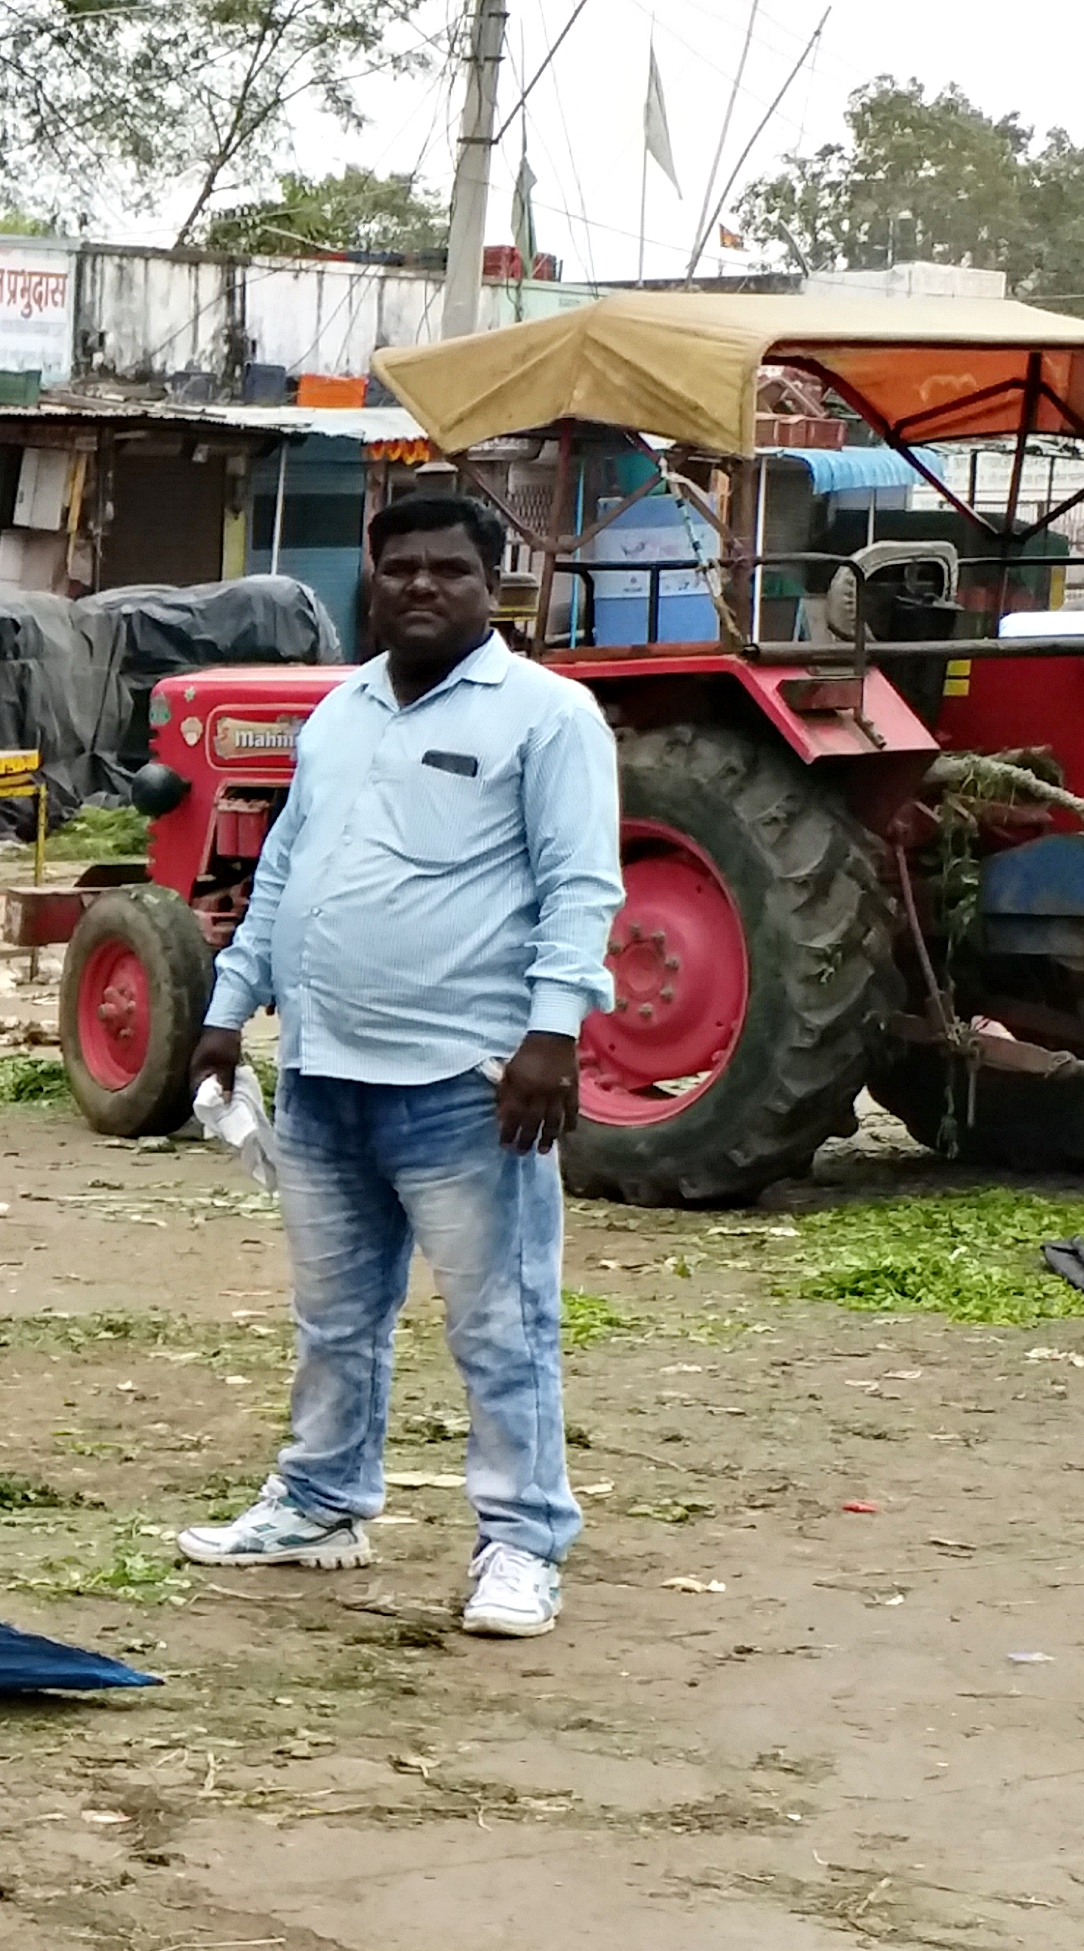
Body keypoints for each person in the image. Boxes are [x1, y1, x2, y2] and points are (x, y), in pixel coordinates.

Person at [174, 492, 619, 1638]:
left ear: (494, 585)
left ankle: (522, 1542)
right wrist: (229, 1010)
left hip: (466, 1085)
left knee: (502, 1325)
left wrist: (553, 1035)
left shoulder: (549, 716)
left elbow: (581, 887)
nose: (423, 587)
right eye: (402, 569)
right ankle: (321, 1505)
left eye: (450, 570)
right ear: (373, 581)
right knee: (335, 1320)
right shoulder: (339, 713)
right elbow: (281, 875)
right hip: (325, 1080)